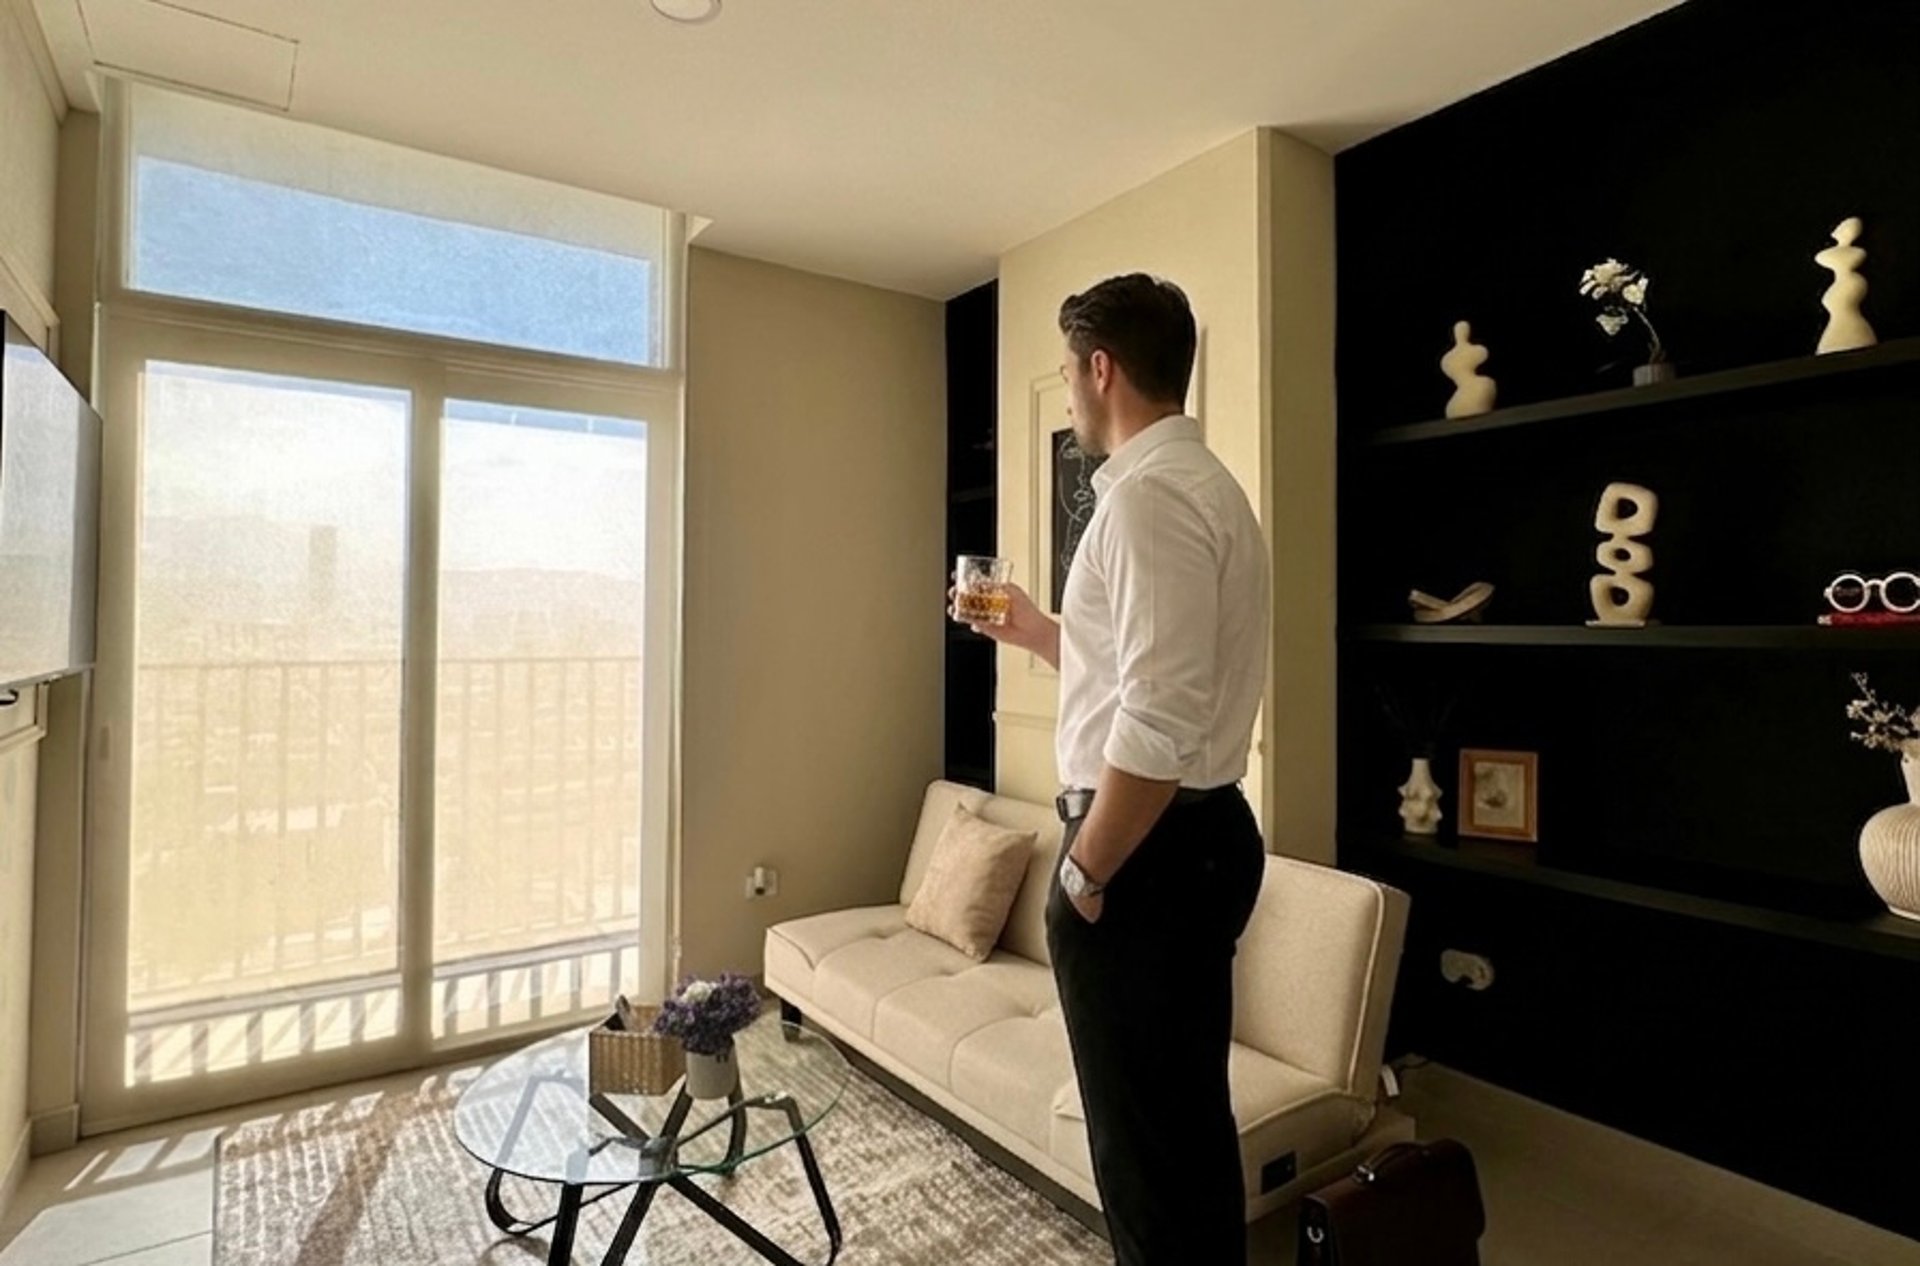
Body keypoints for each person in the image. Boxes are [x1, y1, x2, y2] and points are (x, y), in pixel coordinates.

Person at [955, 273, 1271, 1263]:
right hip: (1189, 843)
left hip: (1148, 854)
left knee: (1141, 1155)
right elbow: (1139, 673)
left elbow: (1160, 720)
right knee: (1181, 1134)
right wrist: (1038, 632)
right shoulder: (1199, 489)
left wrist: (1083, 874)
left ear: (1102, 368)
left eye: (1067, 367)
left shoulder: (1149, 504)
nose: (1069, 387)